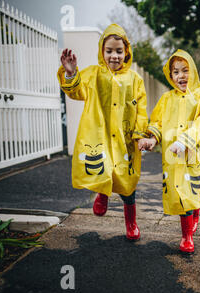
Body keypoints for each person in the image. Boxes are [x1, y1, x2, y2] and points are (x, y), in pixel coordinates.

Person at [57, 24, 148, 241]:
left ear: (126, 52)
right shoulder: (94, 74)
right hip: (99, 136)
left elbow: (141, 110)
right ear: (102, 51)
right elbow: (77, 92)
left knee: (127, 183)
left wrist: (141, 134)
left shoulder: (135, 80)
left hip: (125, 139)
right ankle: (103, 194)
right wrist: (71, 74)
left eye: (118, 51)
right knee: (103, 169)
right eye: (109, 51)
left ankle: (131, 222)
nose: (114, 56)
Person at [140, 49, 200, 254]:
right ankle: (187, 230)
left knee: (191, 192)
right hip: (173, 157)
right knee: (180, 194)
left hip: (194, 155)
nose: (181, 76)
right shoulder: (166, 99)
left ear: (194, 72)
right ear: (170, 75)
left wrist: (185, 141)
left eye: (185, 70)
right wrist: (152, 138)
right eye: (175, 72)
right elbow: (158, 121)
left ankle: (188, 235)